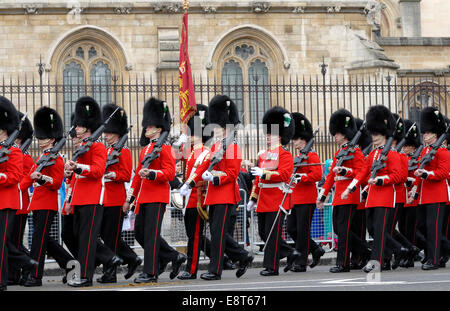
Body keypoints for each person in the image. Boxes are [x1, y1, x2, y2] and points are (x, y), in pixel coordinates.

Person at [180, 95, 253, 281]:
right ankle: (242, 256)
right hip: (213, 195)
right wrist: (190, 183)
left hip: (226, 194)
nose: (217, 131)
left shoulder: (232, 147)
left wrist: (214, 178)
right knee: (216, 233)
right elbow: (204, 166)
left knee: (218, 234)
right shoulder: (215, 147)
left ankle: (215, 270)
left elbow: (232, 173)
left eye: (220, 128)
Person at [341, 105, 404, 273]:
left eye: (376, 134)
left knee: (380, 229)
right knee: (374, 229)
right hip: (371, 198)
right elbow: (362, 173)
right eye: (372, 133)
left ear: (384, 134)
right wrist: (350, 188)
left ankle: (375, 261)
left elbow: (398, 176)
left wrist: (381, 180)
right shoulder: (373, 155)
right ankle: (393, 252)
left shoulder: (392, 154)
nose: (373, 136)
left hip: (385, 197)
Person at [123, 98, 177, 283]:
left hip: (157, 196)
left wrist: (153, 173)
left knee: (151, 236)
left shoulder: (165, 148)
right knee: (139, 233)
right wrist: (129, 199)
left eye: (149, 126)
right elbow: (137, 176)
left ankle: (150, 272)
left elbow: (169, 173)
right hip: (143, 197)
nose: (146, 128)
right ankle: (172, 256)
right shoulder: (146, 149)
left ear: (159, 129)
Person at [19, 107, 75, 287]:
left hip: (47, 204)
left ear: (51, 139)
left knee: (38, 242)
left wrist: (42, 178)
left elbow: (57, 183)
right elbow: (28, 177)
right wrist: (18, 189)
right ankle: (71, 265)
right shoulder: (41, 157)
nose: (39, 140)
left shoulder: (56, 159)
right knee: (44, 240)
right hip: (37, 204)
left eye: (42, 137)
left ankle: (35, 276)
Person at [247, 106, 299, 276]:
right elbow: (257, 179)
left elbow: (285, 175)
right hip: (263, 198)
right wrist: (253, 198)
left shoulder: (285, 155)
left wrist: (266, 173)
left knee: (271, 234)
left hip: (277, 199)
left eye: (271, 134)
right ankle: (291, 253)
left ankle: (271, 266)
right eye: (267, 133)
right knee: (264, 233)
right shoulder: (263, 155)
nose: (268, 136)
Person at [64, 96, 107, 287]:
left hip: (92, 198)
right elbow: (75, 177)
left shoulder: (97, 147)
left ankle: (86, 277)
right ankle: (85, 270)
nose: (76, 129)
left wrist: (79, 168)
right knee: (77, 237)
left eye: (79, 126)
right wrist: (69, 173)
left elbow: (98, 171)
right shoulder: (80, 147)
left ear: (88, 128)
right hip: (79, 199)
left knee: (88, 239)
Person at [96, 104, 142, 283]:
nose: (105, 135)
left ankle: (111, 273)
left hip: (115, 199)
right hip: (103, 198)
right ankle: (131, 258)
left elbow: (126, 174)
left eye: (108, 132)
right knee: (107, 236)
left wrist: (112, 174)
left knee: (111, 238)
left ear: (116, 132)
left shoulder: (124, 151)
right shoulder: (106, 150)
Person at [317, 109, 367, 273]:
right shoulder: (339, 153)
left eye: (337, 134)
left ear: (344, 134)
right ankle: (365, 250)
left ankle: (343, 263)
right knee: (339, 230)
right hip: (339, 195)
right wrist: (323, 195)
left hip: (349, 195)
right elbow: (331, 176)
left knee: (344, 231)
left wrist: (346, 172)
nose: (335, 136)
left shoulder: (355, 152)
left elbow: (361, 172)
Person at [0, 96, 38, 292]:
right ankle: (27, 262)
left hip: (7, 203)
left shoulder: (14, 151)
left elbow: (15, 177)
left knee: (2, 244)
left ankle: (2, 282)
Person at [409, 107, 450, 270]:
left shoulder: (443, 152)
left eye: (427, 133)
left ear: (435, 133)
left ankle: (433, 259)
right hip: (424, 196)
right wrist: (414, 191)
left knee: (433, 229)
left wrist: (426, 174)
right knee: (423, 228)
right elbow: (419, 174)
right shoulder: (425, 151)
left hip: (437, 195)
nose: (424, 135)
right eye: (424, 132)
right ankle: (436, 254)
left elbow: (443, 173)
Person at [177, 104, 212, 280]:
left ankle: (191, 270)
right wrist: (180, 139)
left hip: (197, 198)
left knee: (196, 237)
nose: (189, 137)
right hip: (188, 198)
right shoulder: (190, 153)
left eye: (191, 134)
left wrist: (189, 184)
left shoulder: (205, 153)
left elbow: (199, 174)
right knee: (192, 235)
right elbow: (174, 155)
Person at [287, 112, 324, 272]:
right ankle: (315, 249)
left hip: (307, 199)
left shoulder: (312, 155)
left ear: (303, 139)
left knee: (302, 231)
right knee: (291, 229)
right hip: (295, 198)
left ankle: (302, 262)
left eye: (296, 139)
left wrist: (301, 177)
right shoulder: (298, 156)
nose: (294, 142)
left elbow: (317, 175)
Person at [9, 112, 34, 285]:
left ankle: (24, 268)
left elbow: (27, 177)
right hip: (10, 204)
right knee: (9, 241)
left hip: (20, 205)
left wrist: (16, 187)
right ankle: (13, 274)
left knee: (15, 242)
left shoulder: (25, 157)